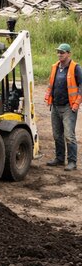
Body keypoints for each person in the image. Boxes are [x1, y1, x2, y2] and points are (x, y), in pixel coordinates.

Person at [44, 43, 82, 171]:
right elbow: (51, 84)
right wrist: (48, 98)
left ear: (69, 54)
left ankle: (72, 162)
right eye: (58, 52)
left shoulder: (76, 68)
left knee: (69, 135)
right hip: (55, 106)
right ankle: (59, 159)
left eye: (62, 52)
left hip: (68, 107)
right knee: (57, 135)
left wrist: (77, 103)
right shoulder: (55, 67)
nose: (59, 54)